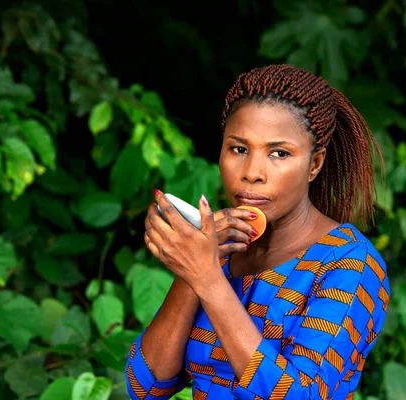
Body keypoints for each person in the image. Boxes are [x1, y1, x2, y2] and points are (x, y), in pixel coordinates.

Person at [124, 64, 391, 400]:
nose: (252, 173)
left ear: (314, 164)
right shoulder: (218, 246)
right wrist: (193, 269)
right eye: (239, 149)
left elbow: (299, 396)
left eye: (278, 153)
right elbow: (145, 388)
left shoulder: (349, 264)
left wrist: (206, 278)